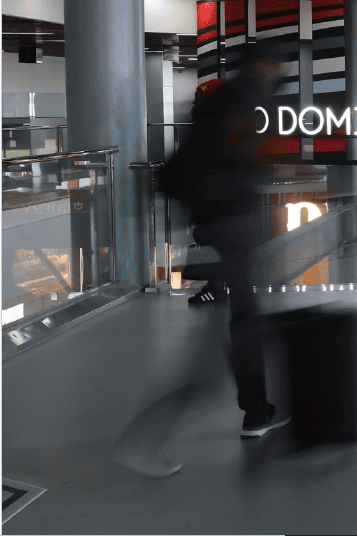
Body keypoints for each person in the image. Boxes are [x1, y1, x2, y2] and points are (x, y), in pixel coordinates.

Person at [114, 54, 290, 477]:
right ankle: (149, 437)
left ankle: (259, 411)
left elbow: (178, 171)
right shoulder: (243, 103)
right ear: (263, 71)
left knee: (239, 321)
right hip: (235, 227)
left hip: (210, 227)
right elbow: (246, 157)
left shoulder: (209, 106)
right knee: (223, 345)